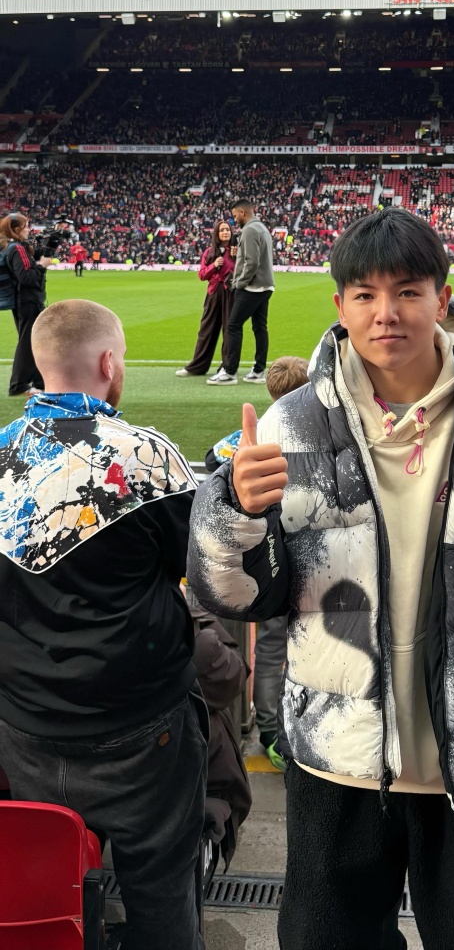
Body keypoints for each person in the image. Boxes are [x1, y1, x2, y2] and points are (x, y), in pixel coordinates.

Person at [189, 207, 454, 950]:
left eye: (408, 291)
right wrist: (232, 512)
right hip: (338, 765)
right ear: (340, 306)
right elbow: (236, 597)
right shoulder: (290, 428)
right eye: (365, 294)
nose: (385, 313)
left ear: (442, 298)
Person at [0, 299, 207, 950]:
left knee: (47, 890)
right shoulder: (145, 457)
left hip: (25, 726)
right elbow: (204, 571)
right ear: (110, 364)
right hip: (142, 729)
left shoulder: (1, 454)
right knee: (162, 897)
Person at [204, 355, 309, 772]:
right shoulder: (315, 429)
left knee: (270, 646)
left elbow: (212, 459)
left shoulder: (254, 433)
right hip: (311, 556)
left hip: (265, 560)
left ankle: (270, 731)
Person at [184, 585, 252, 871]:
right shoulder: (189, 639)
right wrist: (197, 617)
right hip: (185, 794)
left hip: (71, 782)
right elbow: (229, 675)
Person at [207, 198, 274, 386]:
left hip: (252, 287)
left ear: (242, 212)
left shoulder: (250, 230)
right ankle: (259, 370)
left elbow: (252, 262)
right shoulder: (262, 228)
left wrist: (239, 283)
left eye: (235, 215)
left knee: (233, 325)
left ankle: (230, 372)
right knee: (260, 328)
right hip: (266, 285)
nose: (234, 219)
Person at [0, 213, 52, 397]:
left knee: (36, 339)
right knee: (28, 341)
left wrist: (50, 245)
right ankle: (19, 384)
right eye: (26, 226)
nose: (28, 229)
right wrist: (42, 266)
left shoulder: (11, 247)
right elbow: (27, 277)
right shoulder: (17, 248)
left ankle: (39, 381)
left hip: (23, 300)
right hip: (28, 300)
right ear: (16, 229)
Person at [176, 220, 235, 378]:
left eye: (227, 230)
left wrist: (237, 257)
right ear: (217, 233)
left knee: (229, 331)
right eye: (222, 230)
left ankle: (227, 367)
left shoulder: (236, 251)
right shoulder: (209, 252)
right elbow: (202, 275)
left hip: (230, 293)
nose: (225, 232)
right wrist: (214, 265)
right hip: (214, 293)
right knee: (206, 330)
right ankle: (197, 366)